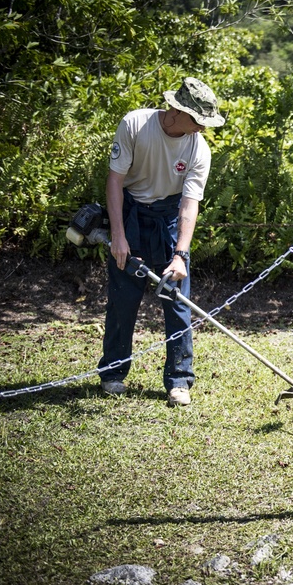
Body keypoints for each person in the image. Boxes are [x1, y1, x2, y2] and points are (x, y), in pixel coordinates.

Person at [98, 77, 225, 406]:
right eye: (198, 120)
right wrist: (118, 235)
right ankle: (113, 373)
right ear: (177, 111)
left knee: (177, 301)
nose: (202, 128)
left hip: (170, 218)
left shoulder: (199, 148)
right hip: (130, 214)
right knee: (123, 301)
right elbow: (115, 180)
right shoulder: (135, 124)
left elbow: (189, 204)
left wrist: (181, 254)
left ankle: (179, 380)